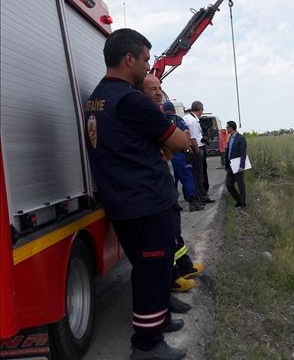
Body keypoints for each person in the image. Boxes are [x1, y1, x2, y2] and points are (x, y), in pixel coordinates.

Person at [84, 29, 188, 359]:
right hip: (146, 202)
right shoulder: (130, 100)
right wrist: (165, 143)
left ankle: (155, 326)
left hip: (124, 203)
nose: (148, 68)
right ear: (129, 59)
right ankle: (147, 345)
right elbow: (180, 143)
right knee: (152, 273)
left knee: (146, 271)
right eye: (144, 61)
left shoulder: (97, 98)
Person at [140, 75, 205, 295]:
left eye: (160, 88)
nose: (158, 92)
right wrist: (177, 142)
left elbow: (170, 150)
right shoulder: (147, 117)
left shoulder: (159, 116)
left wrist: (173, 146)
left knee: (174, 230)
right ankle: (174, 276)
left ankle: (184, 266)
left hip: (164, 182)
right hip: (154, 188)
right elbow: (177, 144)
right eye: (152, 89)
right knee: (165, 234)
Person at [183, 101, 214, 204]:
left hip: (188, 149)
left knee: (193, 175)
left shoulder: (186, 118)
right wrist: (197, 152)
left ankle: (197, 196)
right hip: (196, 149)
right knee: (199, 175)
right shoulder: (193, 121)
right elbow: (193, 138)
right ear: (200, 110)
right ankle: (202, 197)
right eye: (202, 110)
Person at [224, 120, 248, 207]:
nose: (226, 129)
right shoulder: (230, 138)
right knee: (229, 185)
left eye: (227, 127)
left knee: (240, 184)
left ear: (231, 128)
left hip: (237, 165)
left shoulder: (241, 138)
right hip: (230, 165)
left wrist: (242, 166)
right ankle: (238, 199)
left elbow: (243, 153)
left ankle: (243, 203)